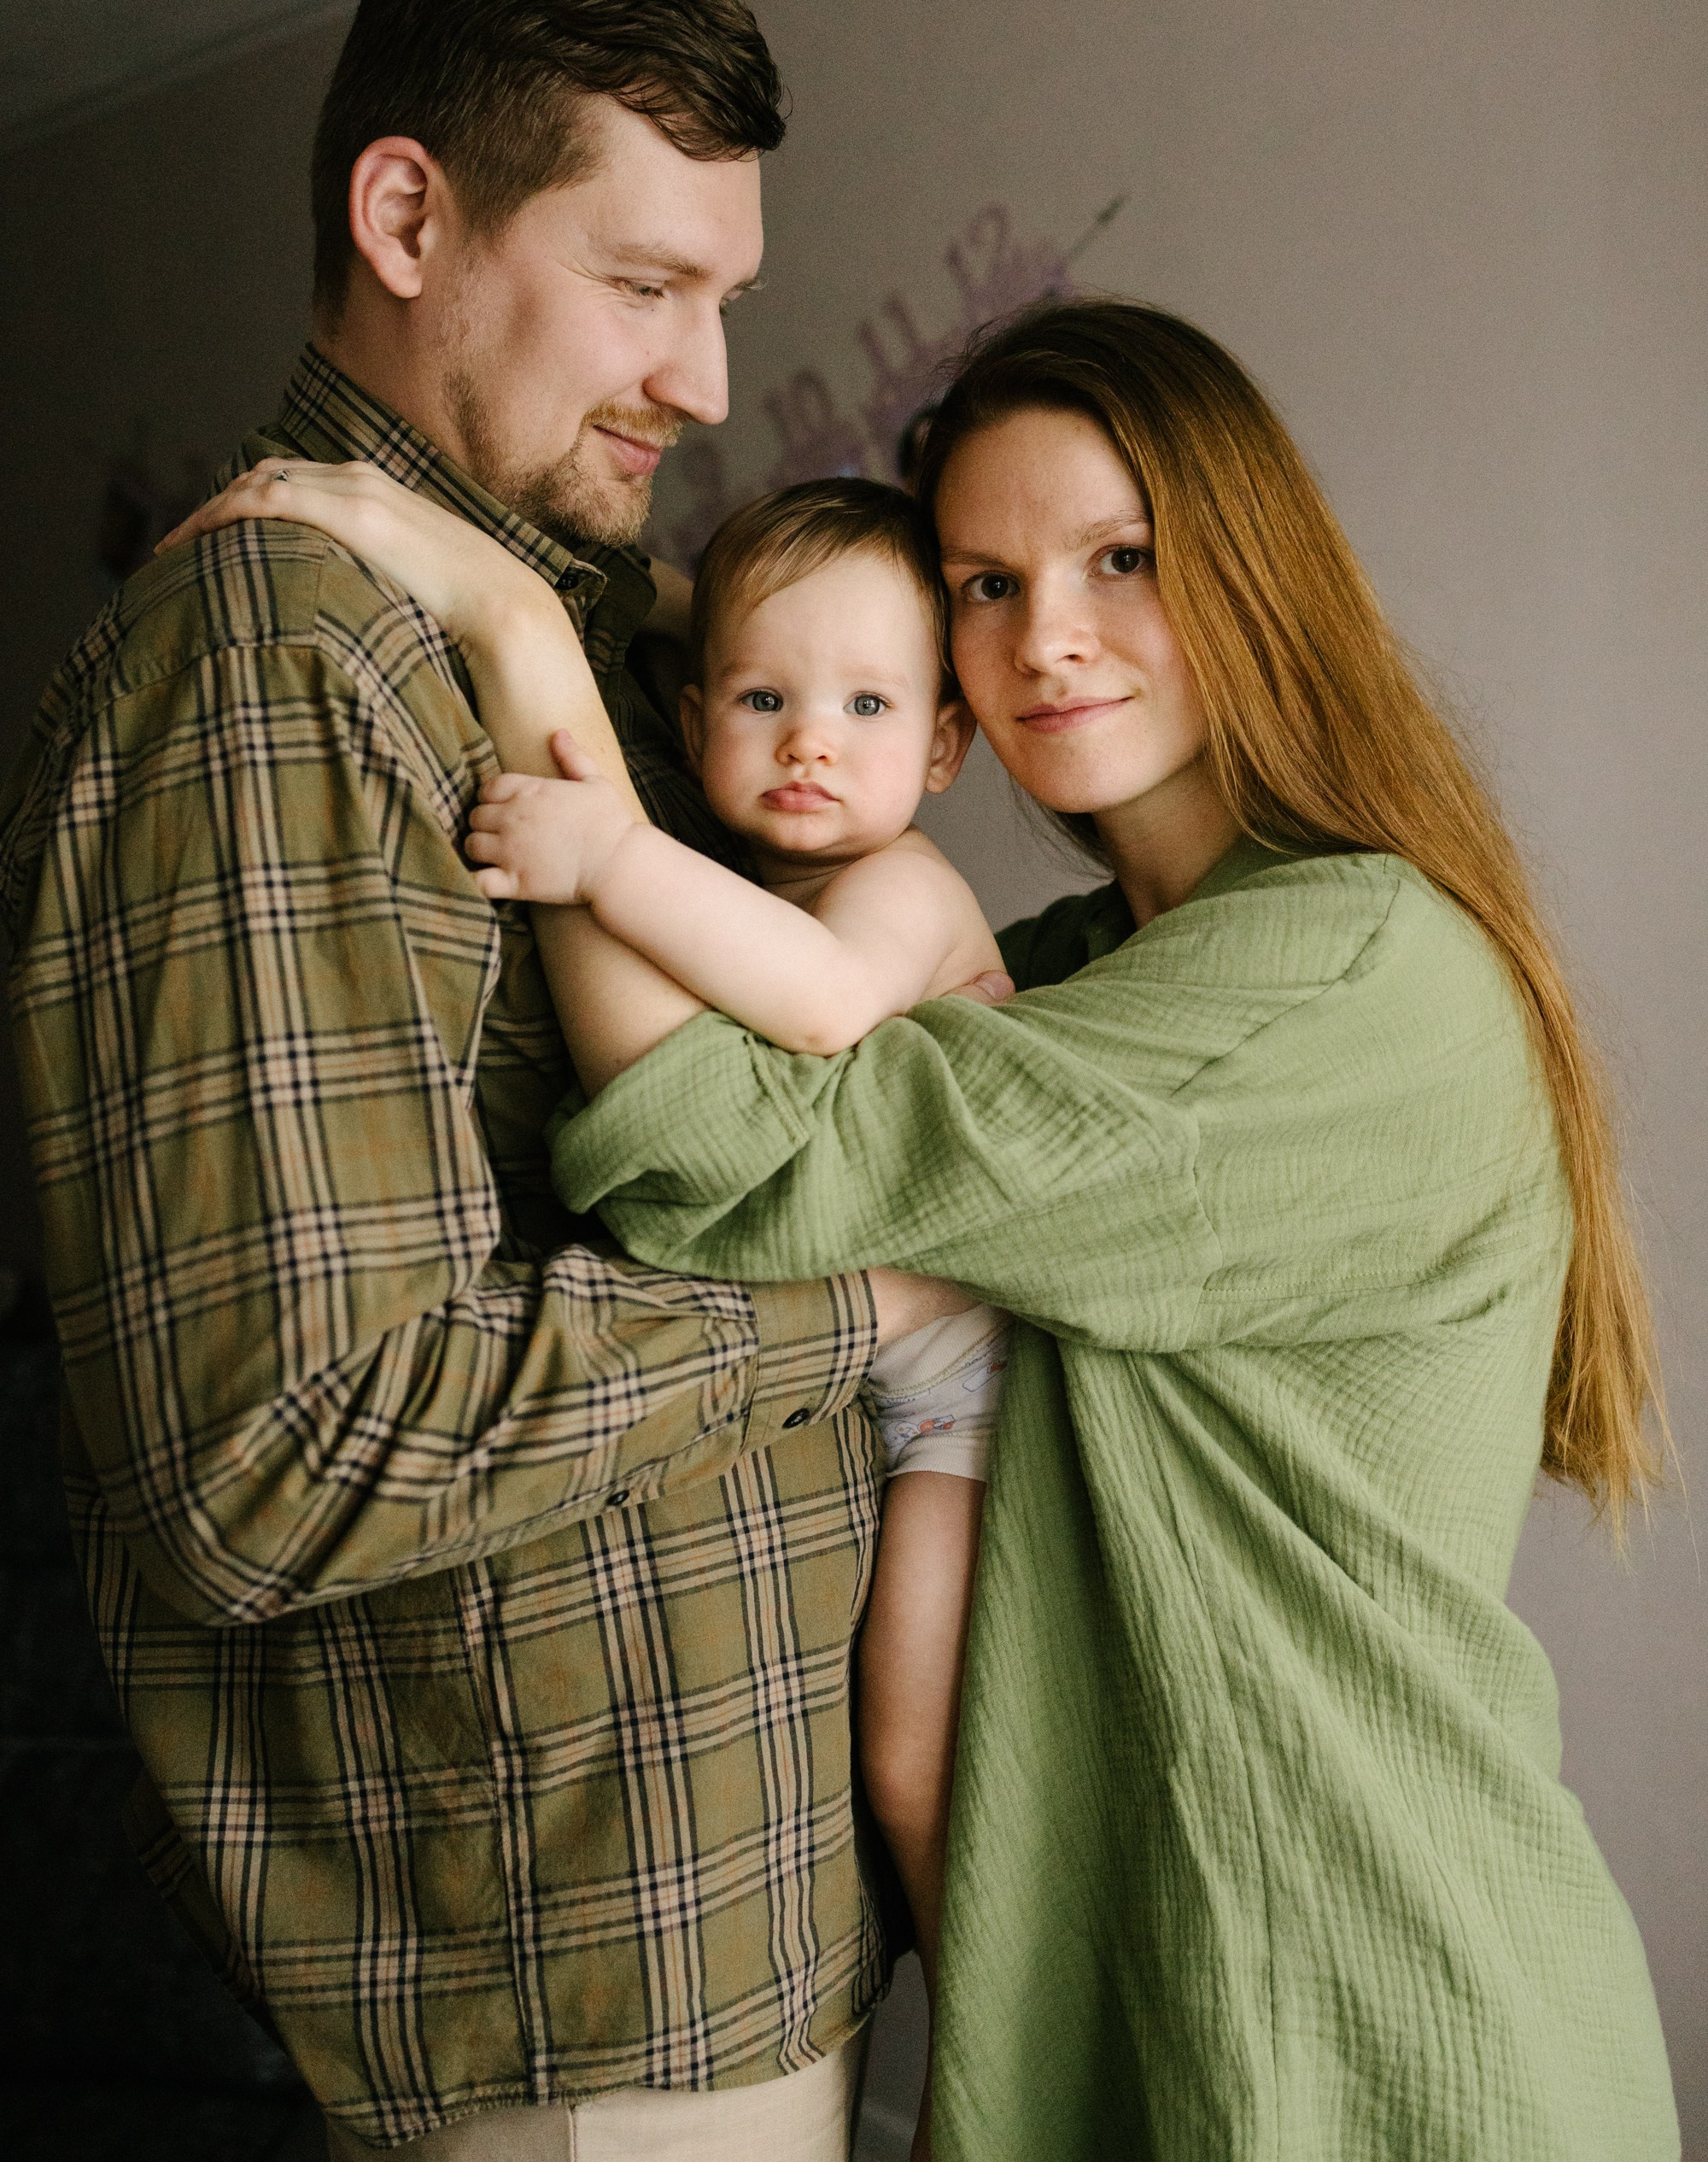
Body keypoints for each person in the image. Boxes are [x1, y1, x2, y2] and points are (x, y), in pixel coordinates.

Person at [234, 295, 1676, 2160]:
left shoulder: (1348, 983)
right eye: (982, 588)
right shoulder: (1108, 973)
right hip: (1162, 1985)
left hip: (1369, 2020)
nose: (1045, 640)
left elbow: (714, 1162)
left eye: (1120, 559)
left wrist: (520, 634)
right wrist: (673, 612)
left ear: (1257, 572)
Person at [0, 0, 968, 2160]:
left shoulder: (630, 654)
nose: (710, 381)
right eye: (645, 286)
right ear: (408, 213)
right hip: (568, 2014)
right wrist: (861, 1306)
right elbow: (277, 1457)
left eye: (724, 298)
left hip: (743, 1942)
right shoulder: (268, 661)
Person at [162, 464, 1018, 2088]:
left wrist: (607, 858)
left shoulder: (899, 892)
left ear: (947, 744)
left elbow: (831, 1005)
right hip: (872, 1392)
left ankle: (989, 2062)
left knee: (918, 1762)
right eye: (764, 698)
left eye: (865, 703)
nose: (811, 740)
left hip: (972, 1388)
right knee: (894, 1750)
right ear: (694, 715)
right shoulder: (753, 869)